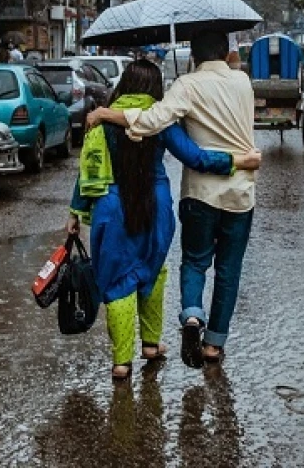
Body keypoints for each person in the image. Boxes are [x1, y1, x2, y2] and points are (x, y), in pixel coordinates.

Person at [68, 60, 261, 381]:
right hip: (155, 207)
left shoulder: (101, 119)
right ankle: (151, 345)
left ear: (124, 83)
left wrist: (75, 212)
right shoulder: (161, 119)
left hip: (111, 208)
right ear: (156, 88)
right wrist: (237, 161)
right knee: (152, 271)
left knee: (117, 282)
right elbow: (196, 157)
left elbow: (87, 170)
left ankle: (121, 362)